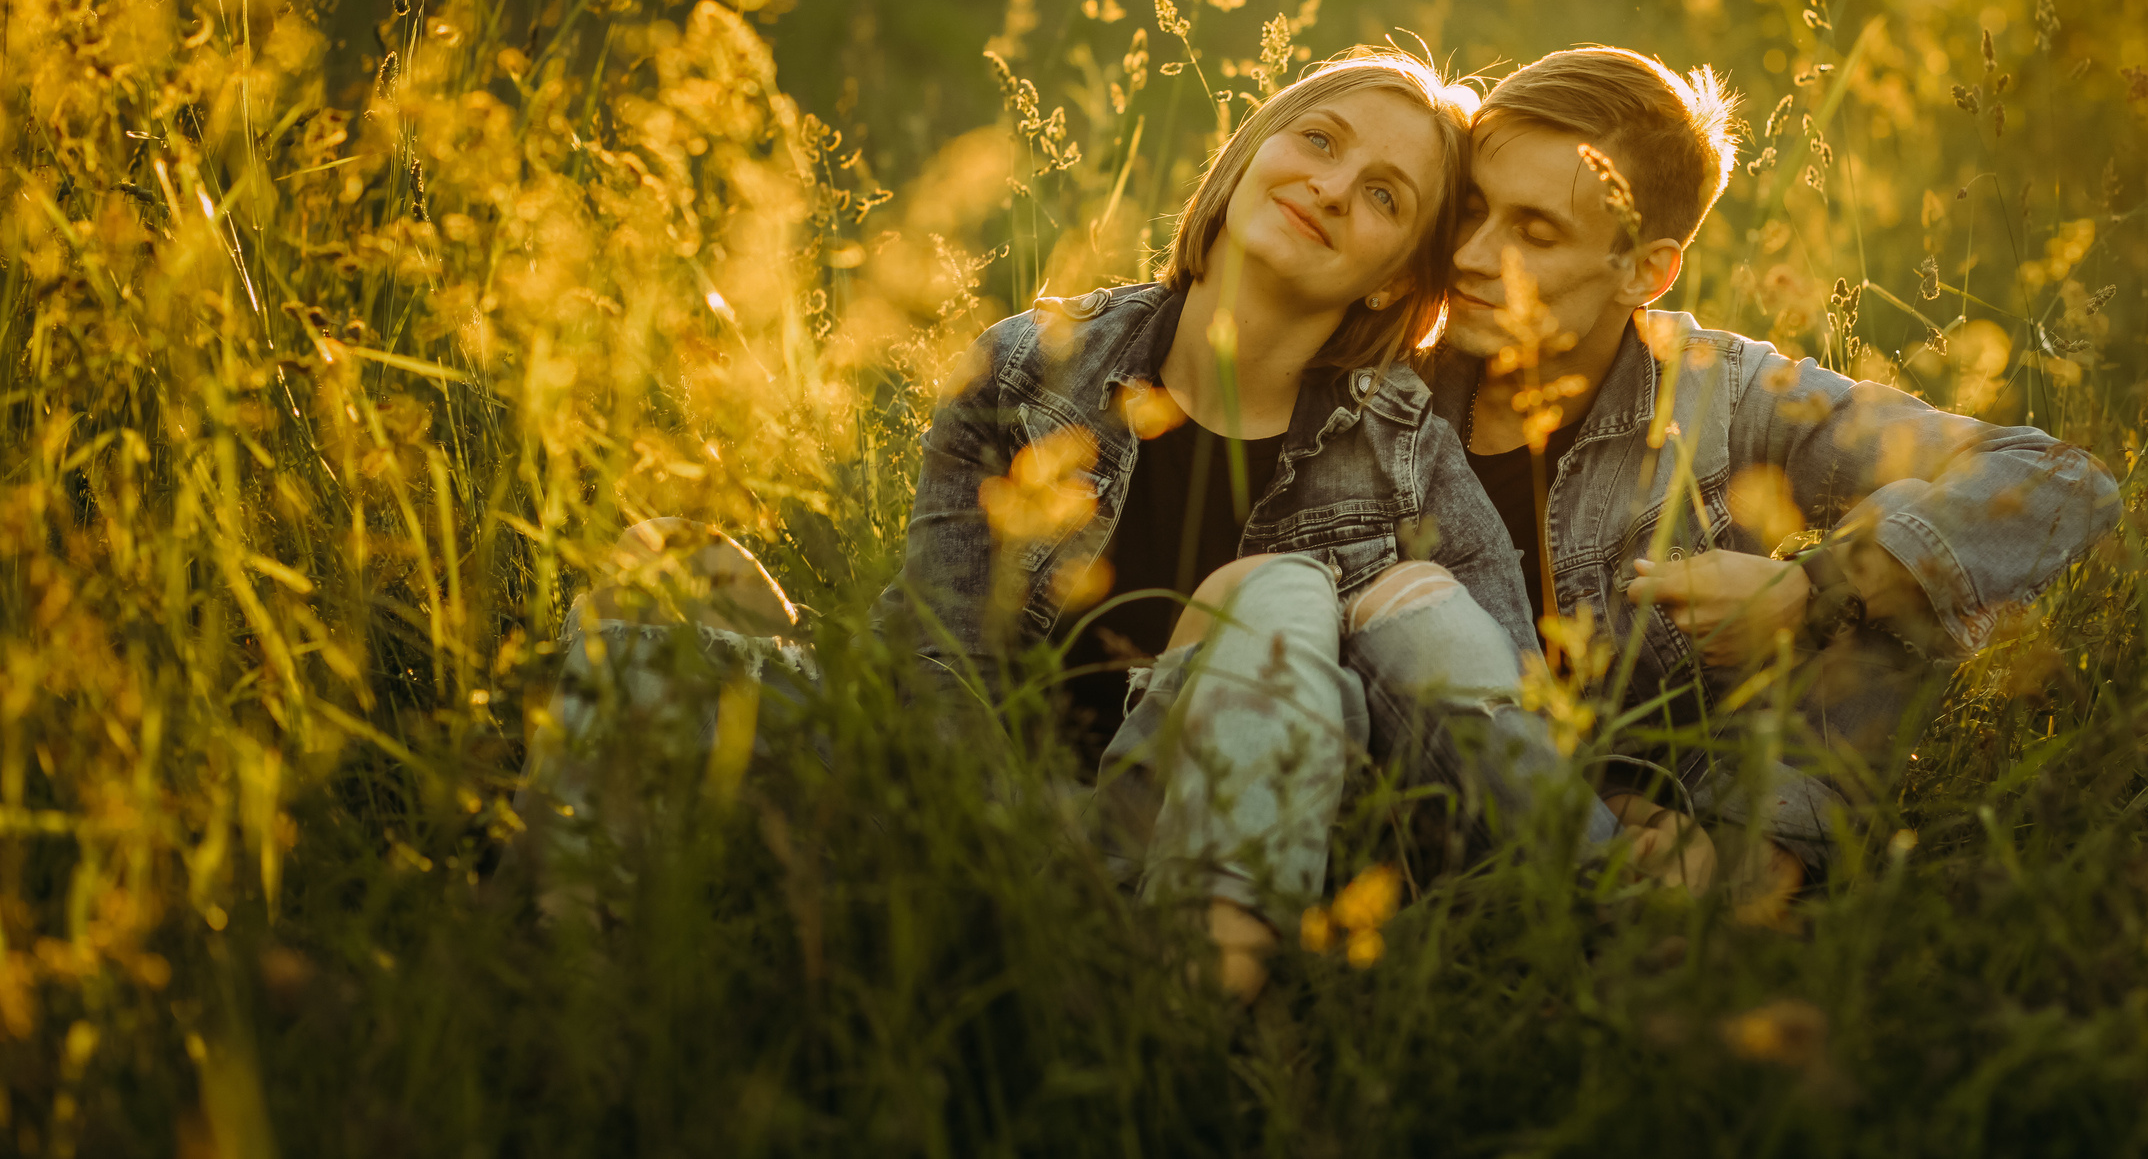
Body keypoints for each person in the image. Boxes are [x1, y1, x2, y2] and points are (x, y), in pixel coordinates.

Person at [529, 49, 1677, 1001]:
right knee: (643, 607)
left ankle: (1184, 1006)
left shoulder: (1407, 448)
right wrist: (1016, 859)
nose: (1333, 187)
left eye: (1385, 196)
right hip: (963, 804)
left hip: (1202, 845)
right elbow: (942, 661)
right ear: (1245, 161)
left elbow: (1494, 718)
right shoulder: (1035, 367)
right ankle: (567, 995)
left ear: (1394, 281)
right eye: (1318, 142)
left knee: (1278, 598)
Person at [1428, 45, 2124, 899]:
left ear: (1644, 270)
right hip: (1462, 800)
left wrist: (1809, 587)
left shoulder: (1724, 392)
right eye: (1470, 210)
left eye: (1533, 232)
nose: (1469, 255)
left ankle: (1759, 870)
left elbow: (2060, 480)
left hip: (1701, 795)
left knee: (1901, 542)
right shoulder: (1388, 394)